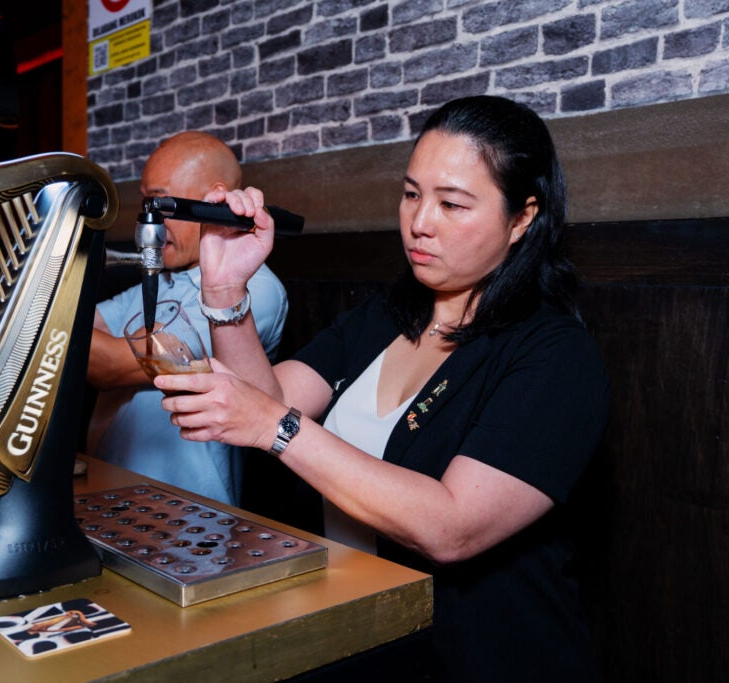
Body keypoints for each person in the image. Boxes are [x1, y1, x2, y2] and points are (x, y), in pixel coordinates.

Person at [154, 97, 609, 681]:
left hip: (479, 659)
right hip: (361, 638)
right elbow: (269, 398)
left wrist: (276, 428)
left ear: (523, 217)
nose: (420, 221)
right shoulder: (386, 316)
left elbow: (452, 527)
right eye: (412, 194)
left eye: (452, 203)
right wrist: (223, 292)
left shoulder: (555, 356)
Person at [86, 131, 288, 506]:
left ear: (212, 200)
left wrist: (33, 300)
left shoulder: (255, 287)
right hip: (115, 493)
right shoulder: (162, 279)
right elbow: (83, 325)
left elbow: (109, 364)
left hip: (193, 511)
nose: (150, 220)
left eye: (159, 202)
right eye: (146, 203)